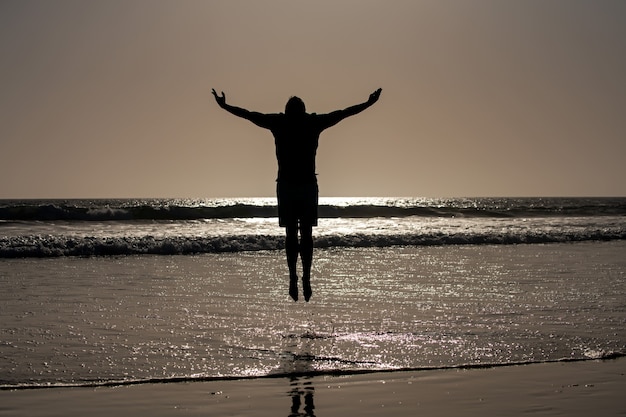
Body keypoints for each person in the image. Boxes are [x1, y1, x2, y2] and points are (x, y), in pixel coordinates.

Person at [211, 87, 382, 302]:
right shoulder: (311, 123)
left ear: (287, 111)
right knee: (306, 233)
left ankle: (294, 277)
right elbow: (344, 113)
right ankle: (305, 279)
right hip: (306, 185)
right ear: (303, 111)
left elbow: (249, 115)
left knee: (292, 233)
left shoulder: (280, 123)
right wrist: (368, 103)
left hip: (287, 186)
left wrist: (224, 106)